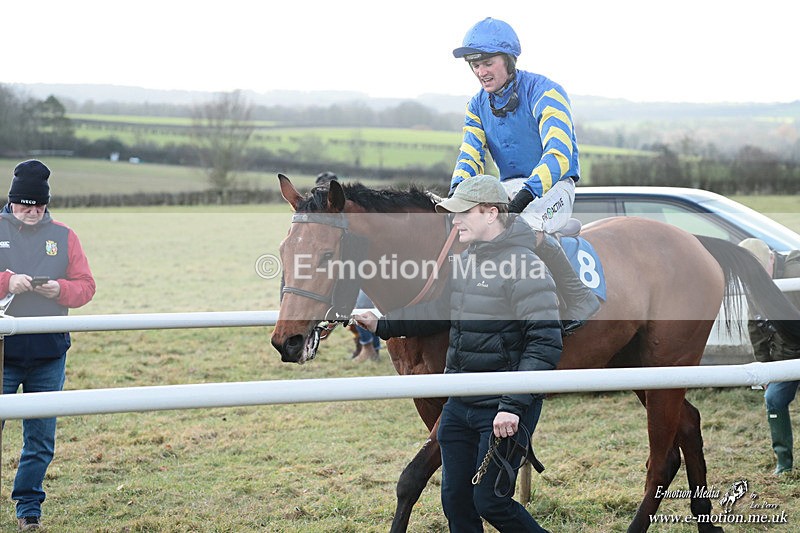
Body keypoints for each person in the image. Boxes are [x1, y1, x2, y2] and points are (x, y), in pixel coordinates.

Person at [355, 175, 561, 532]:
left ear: (491, 213)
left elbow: (545, 341)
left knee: (490, 500)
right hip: (459, 406)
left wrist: (512, 405)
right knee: (454, 501)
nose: (454, 220)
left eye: (462, 213)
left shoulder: (526, 266)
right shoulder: (465, 261)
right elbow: (437, 312)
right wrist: (382, 325)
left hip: (502, 408)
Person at [450, 17, 599, 333]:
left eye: (487, 63)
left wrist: (528, 193)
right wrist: (456, 192)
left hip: (554, 185)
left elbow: (558, 154)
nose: (481, 72)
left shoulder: (547, 91)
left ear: (508, 60)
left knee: (521, 226)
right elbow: (469, 155)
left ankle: (579, 296)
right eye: (474, 65)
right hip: (509, 187)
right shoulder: (477, 105)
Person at [0, 160, 96, 530]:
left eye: (38, 207)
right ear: (12, 202)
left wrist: (62, 291)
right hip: (2, 355)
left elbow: (86, 286)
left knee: (40, 441)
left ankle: (29, 510)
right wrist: (7, 281)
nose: (32, 214)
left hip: (48, 355)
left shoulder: (65, 235)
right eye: (25, 207)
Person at [738, 238, 800, 475]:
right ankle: (784, 464)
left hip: (791, 351)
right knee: (773, 398)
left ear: (772, 258)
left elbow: (791, 331)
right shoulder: (754, 282)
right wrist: (765, 369)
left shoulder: (794, 274)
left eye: (762, 268)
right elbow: (756, 325)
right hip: (785, 356)